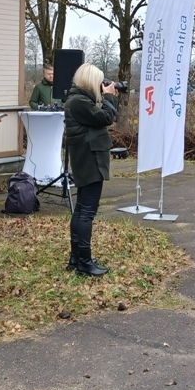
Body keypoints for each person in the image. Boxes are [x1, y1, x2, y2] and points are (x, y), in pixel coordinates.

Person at [64, 63, 119, 276]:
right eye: (100, 80)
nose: (102, 84)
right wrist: (108, 97)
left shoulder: (80, 99)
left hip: (87, 158)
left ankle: (76, 257)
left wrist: (107, 99)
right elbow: (106, 118)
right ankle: (84, 261)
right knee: (86, 211)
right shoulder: (79, 101)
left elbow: (109, 117)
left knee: (81, 210)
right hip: (90, 159)